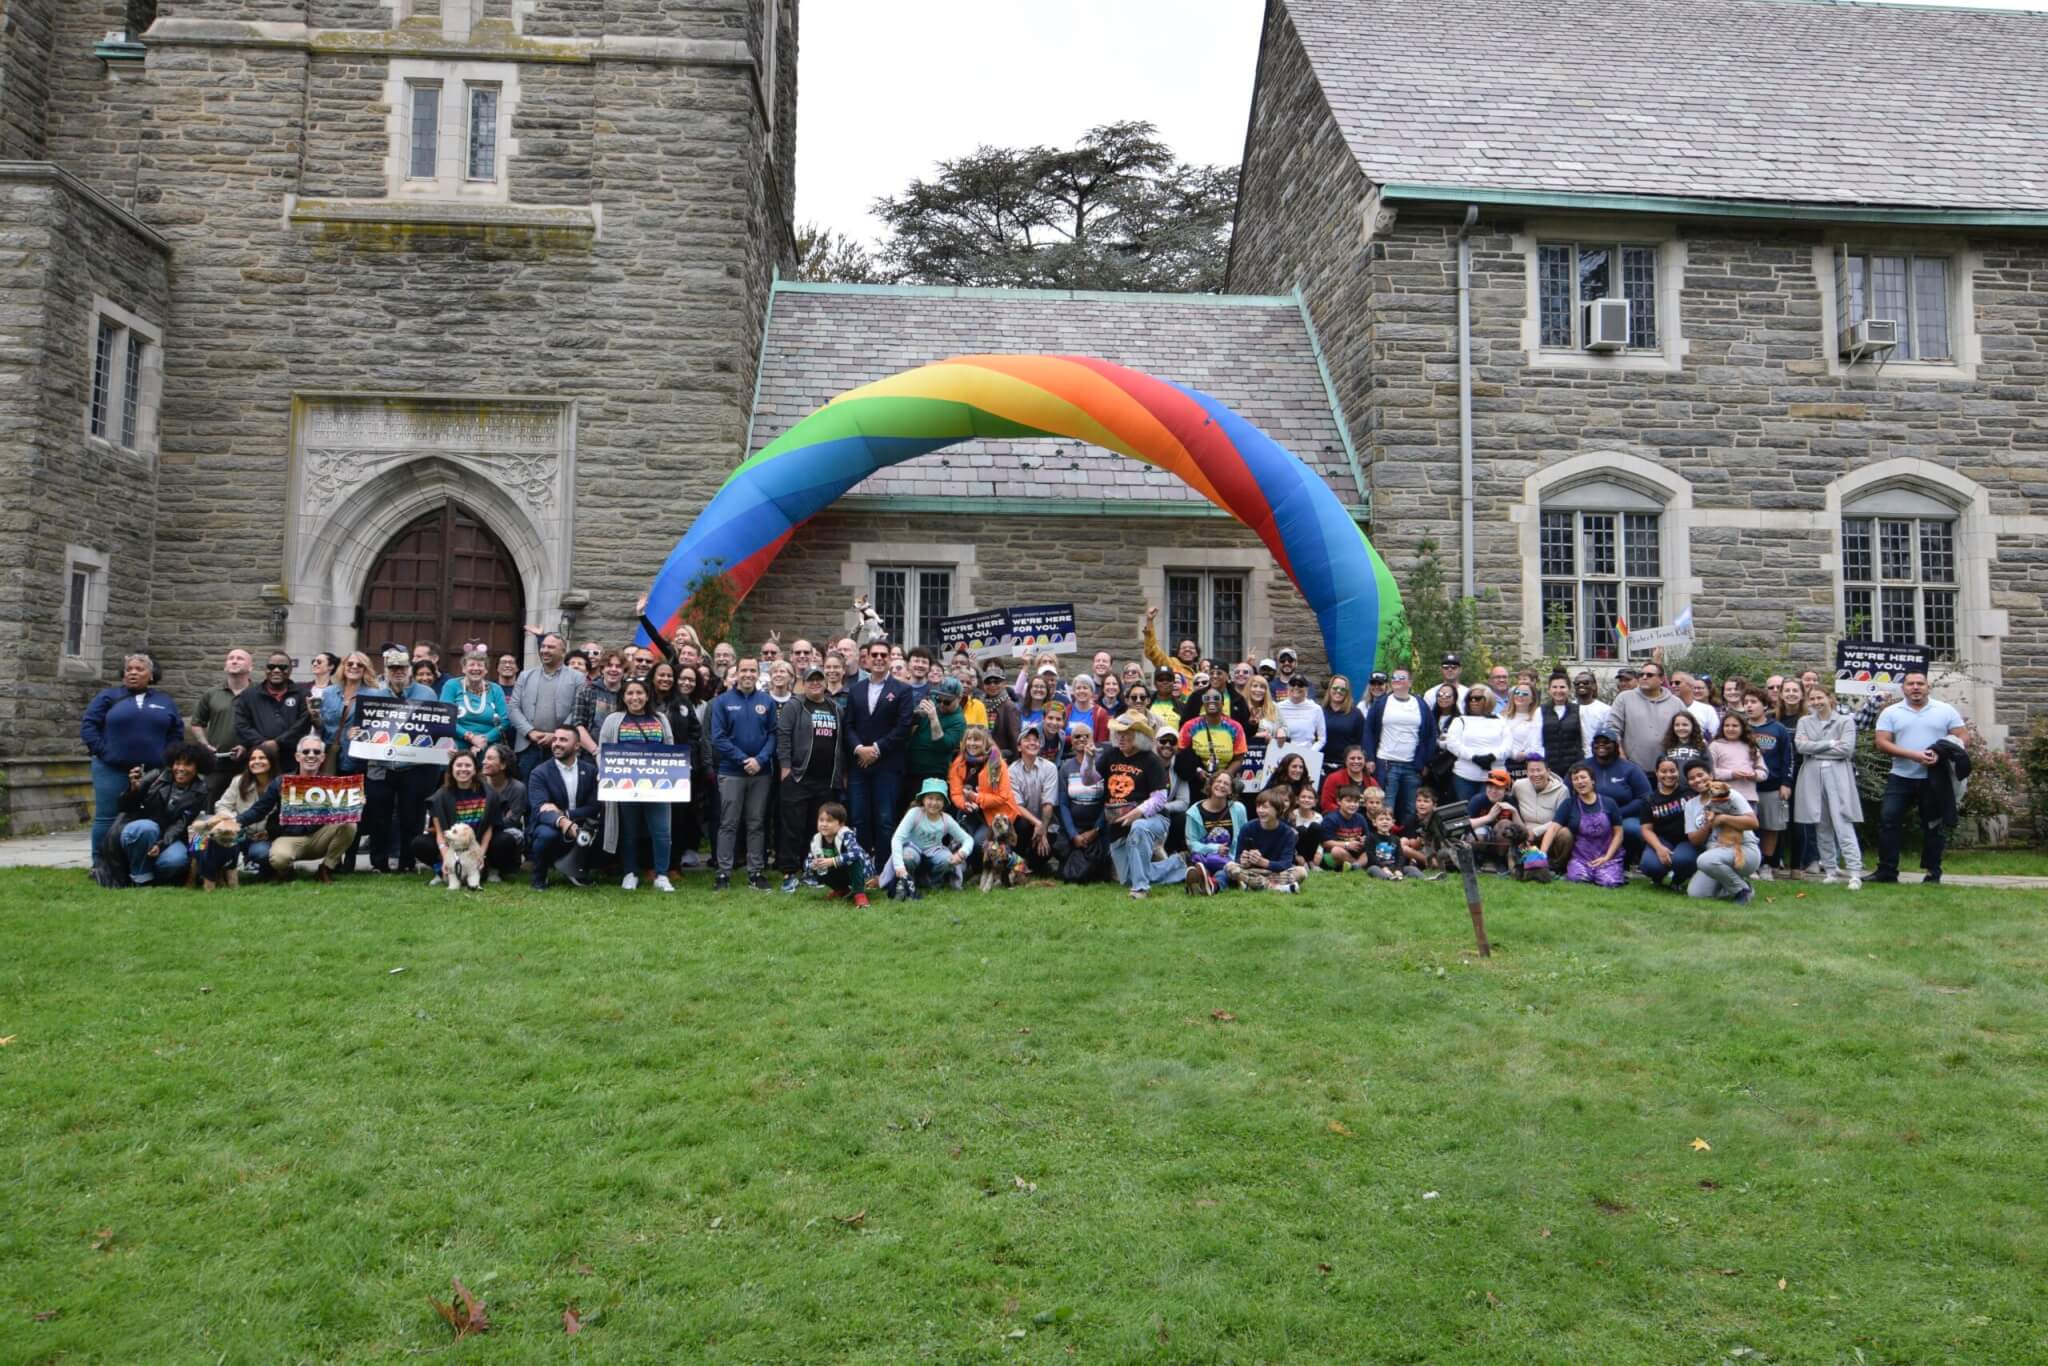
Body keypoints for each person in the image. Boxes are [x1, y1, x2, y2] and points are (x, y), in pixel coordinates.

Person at [81, 652, 185, 857]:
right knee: (107, 818)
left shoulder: (164, 701)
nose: (133, 673)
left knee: (150, 817)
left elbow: (176, 732)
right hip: (111, 769)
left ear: (151, 675)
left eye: (139, 669)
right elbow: (89, 725)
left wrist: (168, 757)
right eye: (129, 669)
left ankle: (138, 860)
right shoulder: (108, 697)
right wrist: (104, 751)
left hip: (154, 772)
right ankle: (100, 863)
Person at [1870, 671, 1967, 885]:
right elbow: (1882, 743)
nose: (1915, 687)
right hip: (1901, 776)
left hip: (1934, 778)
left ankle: (1933, 872)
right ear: (1903, 688)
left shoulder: (1945, 710)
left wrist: (1940, 752)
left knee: (1933, 825)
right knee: (1888, 821)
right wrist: (1913, 755)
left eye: (1920, 684)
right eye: (1910, 684)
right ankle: (1887, 871)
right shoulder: (1891, 712)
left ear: (1928, 687)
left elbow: (1962, 736)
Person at [240, 734, 357, 883]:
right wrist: (236, 822)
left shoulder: (331, 784)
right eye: (306, 751)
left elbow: (344, 813)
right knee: (279, 859)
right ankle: (287, 872)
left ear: (322, 758)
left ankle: (326, 868)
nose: (311, 755)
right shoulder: (281, 781)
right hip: (288, 837)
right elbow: (259, 810)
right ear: (297, 756)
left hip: (318, 837)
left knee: (349, 823)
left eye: (316, 752)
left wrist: (355, 803)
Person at [598, 679, 677, 893]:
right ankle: (630, 872)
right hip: (624, 784)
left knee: (661, 831)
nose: (635, 697)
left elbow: (669, 747)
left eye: (639, 693)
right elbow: (602, 750)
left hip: (658, 784)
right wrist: (604, 773)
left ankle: (661, 874)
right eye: (630, 693)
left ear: (647, 695)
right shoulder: (613, 720)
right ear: (623, 697)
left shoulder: (660, 719)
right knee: (629, 830)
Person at [1096, 712, 1184, 899]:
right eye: (1119, 733)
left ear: (1139, 736)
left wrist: (1138, 812)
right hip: (1118, 823)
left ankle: (1141, 889)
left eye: (1127, 733)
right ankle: (1179, 865)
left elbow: (1160, 798)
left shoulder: (1150, 760)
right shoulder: (1111, 754)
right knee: (1127, 877)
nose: (1121, 737)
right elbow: (1090, 780)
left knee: (1139, 828)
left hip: (1153, 819)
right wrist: (1088, 762)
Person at [845, 639, 915, 862]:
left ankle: (884, 869)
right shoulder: (855, 690)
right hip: (859, 764)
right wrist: (859, 749)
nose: (878, 659)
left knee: (885, 819)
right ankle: (862, 866)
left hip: (888, 764)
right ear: (866, 658)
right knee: (858, 818)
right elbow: (848, 725)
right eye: (874, 654)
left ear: (889, 659)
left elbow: (903, 727)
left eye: (883, 655)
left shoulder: (902, 690)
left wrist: (875, 749)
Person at [710, 656, 775, 891]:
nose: (748, 674)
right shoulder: (722, 702)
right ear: (736, 674)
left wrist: (759, 760)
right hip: (731, 772)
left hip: (761, 772)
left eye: (752, 670)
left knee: (756, 823)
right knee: (728, 823)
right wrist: (742, 759)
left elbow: (773, 735)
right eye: (743, 670)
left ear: (758, 674)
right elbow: (718, 737)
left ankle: (755, 872)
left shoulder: (766, 701)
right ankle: (723, 873)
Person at [777, 666, 845, 892]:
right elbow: (784, 736)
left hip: (825, 780)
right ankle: (788, 872)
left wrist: (841, 773)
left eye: (819, 680)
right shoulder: (795, 706)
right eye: (811, 680)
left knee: (816, 829)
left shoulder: (835, 708)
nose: (815, 684)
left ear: (826, 683)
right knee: (792, 827)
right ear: (803, 684)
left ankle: (811, 871)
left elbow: (842, 743)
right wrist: (786, 767)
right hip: (798, 777)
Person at [1794, 685, 1864, 889]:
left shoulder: (1845, 721)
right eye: (1812, 699)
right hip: (1812, 777)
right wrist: (1831, 743)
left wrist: (1815, 747)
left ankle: (1854, 872)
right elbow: (1801, 747)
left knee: (1843, 822)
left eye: (1820, 698)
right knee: (1821, 823)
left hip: (1838, 776)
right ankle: (1831, 870)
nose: (1816, 702)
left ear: (1829, 698)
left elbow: (1846, 750)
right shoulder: (1804, 721)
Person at [114, 742, 210, 886]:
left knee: (175, 861)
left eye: (188, 764)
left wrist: (160, 844)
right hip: (142, 830)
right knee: (147, 828)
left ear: (198, 768)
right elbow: (124, 807)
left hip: (171, 837)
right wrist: (133, 790)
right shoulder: (155, 777)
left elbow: (181, 824)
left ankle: (155, 878)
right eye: (177, 763)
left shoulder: (201, 791)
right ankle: (140, 878)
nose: (181, 769)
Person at [528, 726, 601, 890]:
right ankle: (539, 876)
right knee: (547, 835)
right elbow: (540, 810)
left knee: (602, 831)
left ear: (577, 746)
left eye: (563, 740)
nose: (556, 744)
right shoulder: (539, 773)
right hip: (550, 826)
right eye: (555, 739)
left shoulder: (590, 771)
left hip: (583, 824)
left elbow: (594, 806)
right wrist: (562, 821)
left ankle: (579, 871)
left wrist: (565, 814)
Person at [198, 739, 278, 885]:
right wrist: (232, 822)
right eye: (252, 759)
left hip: (264, 838)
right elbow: (222, 806)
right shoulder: (239, 781)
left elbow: (283, 816)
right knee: (209, 839)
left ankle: (265, 871)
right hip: (236, 833)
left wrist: (269, 832)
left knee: (261, 853)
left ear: (271, 761)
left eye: (262, 758)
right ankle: (211, 874)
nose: (256, 761)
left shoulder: (280, 784)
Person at [413, 750, 498, 884]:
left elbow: (489, 828)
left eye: (468, 765)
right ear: (451, 769)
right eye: (458, 765)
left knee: (505, 840)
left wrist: (480, 853)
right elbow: (440, 833)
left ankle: (489, 868)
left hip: (478, 842)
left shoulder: (488, 793)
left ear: (475, 769)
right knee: (420, 843)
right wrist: (447, 858)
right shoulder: (440, 796)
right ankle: (442, 870)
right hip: (452, 845)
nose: (463, 769)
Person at [949, 724, 1022, 869]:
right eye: (969, 739)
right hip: (970, 811)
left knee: (978, 843)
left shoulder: (996, 762)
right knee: (960, 840)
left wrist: (976, 798)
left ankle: (1013, 865)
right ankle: (972, 870)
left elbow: (1002, 797)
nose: (972, 743)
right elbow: (956, 793)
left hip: (996, 814)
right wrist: (965, 804)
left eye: (977, 740)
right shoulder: (959, 761)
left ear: (985, 742)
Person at [887, 777, 971, 899]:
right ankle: (908, 880)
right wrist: (899, 866)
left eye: (938, 799)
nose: (934, 803)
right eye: (930, 798)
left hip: (933, 853)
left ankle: (934, 882)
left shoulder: (946, 819)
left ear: (943, 803)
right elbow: (897, 838)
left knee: (948, 860)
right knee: (909, 857)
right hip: (912, 850)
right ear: (923, 800)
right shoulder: (914, 813)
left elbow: (968, 839)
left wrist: (962, 853)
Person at [188, 647, 254, 801]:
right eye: (231, 658)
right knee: (210, 805)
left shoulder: (258, 694)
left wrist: (246, 746)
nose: (234, 660)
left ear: (250, 667)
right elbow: (197, 723)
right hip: (217, 764)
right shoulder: (212, 694)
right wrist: (204, 744)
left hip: (250, 763)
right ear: (225, 666)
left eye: (240, 658)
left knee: (247, 806)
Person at [233, 651, 314, 774]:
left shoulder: (303, 694)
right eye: (271, 667)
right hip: (258, 758)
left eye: (282, 667)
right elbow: (241, 725)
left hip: (291, 761)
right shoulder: (249, 695)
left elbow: (303, 724)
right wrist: (263, 743)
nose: (276, 670)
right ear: (266, 670)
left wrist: (277, 742)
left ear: (290, 670)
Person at [1685, 777, 1761, 904]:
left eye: (1700, 775)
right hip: (1716, 853)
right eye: (1692, 777)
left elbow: (1753, 823)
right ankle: (1741, 884)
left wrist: (1723, 818)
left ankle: (1741, 890)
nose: (1697, 780)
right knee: (1696, 893)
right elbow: (1695, 840)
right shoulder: (1691, 804)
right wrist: (1707, 824)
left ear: (1710, 776)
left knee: (1704, 860)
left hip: (1743, 848)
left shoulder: (1731, 795)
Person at [1745, 691, 1794, 878]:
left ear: (1765, 705)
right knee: (1748, 827)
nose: (1749, 705)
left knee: (1771, 827)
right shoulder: (1741, 727)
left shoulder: (1778, 729)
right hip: (1746, 786)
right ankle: (1751, 865)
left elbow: (1787, 758)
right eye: (1746, 702)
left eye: (1753, 701)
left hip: (1772, 786)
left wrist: (1786, 783)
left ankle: (1766, 863)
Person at [1584, 729, 1651, 860]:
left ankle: (1632, 860)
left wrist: (1617, 814)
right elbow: (1568, 792)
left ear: (1616, 746)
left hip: (1623, 816)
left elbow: (1645, 797)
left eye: (1606, 742)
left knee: (1634, 829)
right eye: (1597, 742)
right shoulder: (1583, 766)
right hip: (1588, 814)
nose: (1601, 745)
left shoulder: (1630, 768)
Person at [1555, 763, 1625, 887]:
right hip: (1581, 857)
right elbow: (1553, 828)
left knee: (1609, 882)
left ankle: (1607, 871)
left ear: (1592, 780)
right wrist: (1541, 855)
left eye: (1583, 777)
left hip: (1607, 856)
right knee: (1577, 879)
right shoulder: (1569, 803)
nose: (1580, 782)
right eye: (1575, 779)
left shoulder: (1609, 802)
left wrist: (1607, 857)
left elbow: (1619, 833)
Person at [1054, 723, 1109, 880]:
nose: (1082, 739)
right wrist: (1073, 835)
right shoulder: (1065, 768)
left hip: (1098, 828)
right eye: (1077, 736)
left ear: (1093, 739)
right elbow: (1063, 805)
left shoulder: (1102, 764)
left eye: (1087, 736)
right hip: (1074, 828)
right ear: (1071, 742)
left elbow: (1107, 801)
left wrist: (1096, 830)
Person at [1609, 659, 1684, 773]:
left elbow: (1688, 730)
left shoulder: (1676, 703)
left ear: (1661, 679)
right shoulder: (1624, 698)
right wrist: (1621, 757)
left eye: (1649, 675)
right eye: (1641, 674)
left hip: (1668, 771)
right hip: (1633, 769)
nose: (1644, 677)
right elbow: (1613, 730)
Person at [1638, 758, 1700, 890]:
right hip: (1662, 839)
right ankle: (1657, 878)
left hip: (1686, 839)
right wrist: (1659, 847)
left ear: (1678, 772)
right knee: (1650, 865)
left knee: (1683, 860)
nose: (1668, 775)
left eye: (1672, 771)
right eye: (1663, 771)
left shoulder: (1691, 793)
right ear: (1657, 773)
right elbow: (1646, 829)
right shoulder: (1649, 799)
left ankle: (1678, 880)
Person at [1183, 769, 1245, 895]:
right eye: (1218, 781)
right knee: (1201, 868)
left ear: (1231, 790)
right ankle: (1200, 880)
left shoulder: (1238, 809)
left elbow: (1244, 836)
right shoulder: (1194, 812)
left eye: (1226, 784)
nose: (1221, 785)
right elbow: (1191, 843)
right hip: (1204, 857)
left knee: (1223, 872)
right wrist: (1215, 848)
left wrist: (1242, 857)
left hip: (1230, 860)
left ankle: (1212, 886)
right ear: (1210, 785)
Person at [1007, 726, 1060, 874]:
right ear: (1019, 746)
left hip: (1046, 821)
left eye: (1036, 740)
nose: (1033, 743)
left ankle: (1034, 864)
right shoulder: (1011, 771)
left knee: (1044, 853)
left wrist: (1043, 828)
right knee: (1021, 825)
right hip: (1024, 823)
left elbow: (1048, 803)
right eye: (1027, 740)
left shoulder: (1050, 768)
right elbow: (1017, 806)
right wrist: (1038, 824)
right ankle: (1019, 862)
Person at [906, 676, 968, 802]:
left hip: (933, 773)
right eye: (939, 699)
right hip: (911, 766)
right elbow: (907, 723)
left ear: (959, 699)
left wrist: (934, 719)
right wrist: (916, 714)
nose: (941, 705)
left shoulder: (959, 721)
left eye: (947, 702)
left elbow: (943, 746)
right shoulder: (933, 702)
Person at [440, 648, 510, 759]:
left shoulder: (495, 689)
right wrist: (470, 737)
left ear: (486, 670)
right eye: (471, 665)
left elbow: (505, 721)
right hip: (456, 744)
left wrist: (485, 739)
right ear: (463, 669)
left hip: (487, 745)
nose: (476, 668)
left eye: (480, 665)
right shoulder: (452, 685)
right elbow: (444, 717)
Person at [1443, 686, 1509, 803]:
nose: (1473, 701)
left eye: (1477, 698)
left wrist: (1492, 756)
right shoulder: (1460, 720)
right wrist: (1474, 757)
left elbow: (1508, 744)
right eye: (1470, 698)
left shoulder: (1500, 720)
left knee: (1492, 811)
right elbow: (1452, 744)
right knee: (1467, 813)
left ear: (1488, 699)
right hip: (1465, 776)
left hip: (1495, 776)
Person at [1228, 790, 1302, 894]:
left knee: (1301, 872)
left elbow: (1286, 863)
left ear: (1277, 809)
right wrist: (1243, 861)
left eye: (1265, 807)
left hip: (1275, 872)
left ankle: (1252, 885)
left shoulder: (1288, 833)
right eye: (1258, 807)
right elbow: (1237, 857)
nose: (1260, 810)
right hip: (1252, 870)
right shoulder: (1247, 828)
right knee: (1230, 867)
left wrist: (1262, 862)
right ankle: (1276, 887)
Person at [1177, 688, 1248, 788]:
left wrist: (1225, 775)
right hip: (1197, 779)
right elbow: (1181, 753)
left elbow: (1239, 759)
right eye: (1207, 698)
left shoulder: (1235, 727)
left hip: (1224, 780)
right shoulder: (1190, 726)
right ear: (1203, 703)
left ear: (1222, 703)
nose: (1211, 701)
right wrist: (1197, 771)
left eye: (1216, 698)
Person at [807, 802, 872, 907]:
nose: (823, 824)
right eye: (821, 820)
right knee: (817, 868)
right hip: (838, 869)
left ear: (841, 824)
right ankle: (841, 890)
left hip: (859, 871)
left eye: (829, 821)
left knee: (855, 859)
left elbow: (856, 853)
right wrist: (813, 864)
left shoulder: (846, 834)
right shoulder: (817, 839)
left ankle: (859, 894)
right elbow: (807, 861)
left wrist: (832, 861)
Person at [479, 743, 527, 882]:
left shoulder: (518, 788)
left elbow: (512, 820)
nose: (484, 762)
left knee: (507, 838)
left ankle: (497, 868)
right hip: (478, 830)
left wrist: (485, 824)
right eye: (484, 758)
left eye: (490, 758)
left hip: (501, 833)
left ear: (503, 765)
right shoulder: (477, 783)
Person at [1465, 768, 1525, 871]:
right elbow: (1465, 824)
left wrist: (1514, 812)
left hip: (1501, 843)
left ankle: (1500, 860)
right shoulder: (1478, 800)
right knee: (1479, 833)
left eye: (1498, 788)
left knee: (1506, 824)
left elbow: (1522, 831)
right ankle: (1478, 859)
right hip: (1481, 840)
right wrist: (1489, 817)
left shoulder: (1510, 801)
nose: (1493, 791)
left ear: (1506, 789)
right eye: (1490, 786)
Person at [1512, 756, 1571, 862]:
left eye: (1539, 770)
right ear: (1527, 772)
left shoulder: (1562, 790)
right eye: (1531, 771)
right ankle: (1514, 862)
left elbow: (1561, 819)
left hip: (1550, 830)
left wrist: (1535, 832)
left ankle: (1557, 865)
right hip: (1525, 831)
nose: (1536, 774)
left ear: (1548, 771)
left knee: (1565, 833)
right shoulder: (1518, 785)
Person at [1271, 674, 1326, 782]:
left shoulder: (1315, 709)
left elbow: (1322, 738)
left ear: (1306, 689)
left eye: (1300, 685)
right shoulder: (1278, 707)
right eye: (1293, 684)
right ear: (1288, 687)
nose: (1296, 687)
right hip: (1283, 757)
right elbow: (1272, 732)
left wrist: (1310, 752)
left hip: (1307, 757)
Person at [1709, 712, 1764, 817]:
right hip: (1723, 797)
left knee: (1748, 831)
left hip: (1748, 797)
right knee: (1724, 830)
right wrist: (1731, 774)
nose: (1730, 729)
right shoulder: (1715, 745)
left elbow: (1763, 771)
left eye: (1735, 726)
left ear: (1742, 728)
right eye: (1727, 725)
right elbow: (1710, 772)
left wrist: (1754, 775)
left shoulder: (1751, 745)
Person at [572, 651, 627, 756]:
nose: (613, 669)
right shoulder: (586, 690)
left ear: (624, 671)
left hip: (622, 754)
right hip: (590, 753)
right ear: (602, 669)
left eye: (618, 666)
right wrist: (596, 752)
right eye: (609, 665)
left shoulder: (630, 692)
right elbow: (578, 725)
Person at [1139, 605, 1198, 691]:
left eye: (1191, 648)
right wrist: (1149, 621)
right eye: (1184, 648)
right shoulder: (1171, 664)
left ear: (1196, 653)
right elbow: (1152, 651)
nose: (1187, 649)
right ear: (1178, 652)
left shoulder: (1202, 669)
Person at [1316, 784, 1370, 872]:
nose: (1353, 805)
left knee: (1370, 849)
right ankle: (1357, 866)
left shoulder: (1360, 818)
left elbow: (1367, 837)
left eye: (1356, 802)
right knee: (1336, 851)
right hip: (1335, 854)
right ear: (1339, 801)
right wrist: (1347, 845)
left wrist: (1364, 840)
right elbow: (1325, 843)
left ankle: (1355, 866)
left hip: (1355, 851)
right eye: (1348, 801)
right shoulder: (1331, 819)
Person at [1538, 674, 1584, 772]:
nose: (1558, 691)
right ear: (1549, 690)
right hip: (1549, 766)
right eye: (1554, 687)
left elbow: (1585, 740)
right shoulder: (1540, 711)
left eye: (1562, 687)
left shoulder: (1579, 710)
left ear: (1569, 689)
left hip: (1574, 766)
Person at [1501, 683, 1544, 779]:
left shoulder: (1538, 717)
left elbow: (1538, 742)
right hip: (1506, 764)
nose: (1520, 695)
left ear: (1532, 698)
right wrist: (1513, 754)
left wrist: (1525, 754)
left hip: (1529, 764)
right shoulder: (1503, 717)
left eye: (1524, 693)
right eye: (1517, 692)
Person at [979, 667, 1023, 757]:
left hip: (1002, 758)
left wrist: (1016, 760)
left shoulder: (1009, 707)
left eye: (996, 681)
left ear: (1004, 684)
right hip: (982, 755)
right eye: (988, 682)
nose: (992, 685)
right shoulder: (980, 704)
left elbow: (1015, 737)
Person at [1317, 745, 1377, 812]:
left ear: (1365, 761)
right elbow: (1326, 803)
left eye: (1359, 758)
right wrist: (1345, 813)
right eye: (1352, 758)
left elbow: (1378, 804)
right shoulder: (1333, 778)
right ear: (1345, 761)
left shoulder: (1372, 782)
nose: (1356, 761)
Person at [1571, 671, 1611, 755]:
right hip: (1573, 757)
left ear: (1594, 686)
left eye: (1585, 682)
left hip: (1596, 757)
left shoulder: (1605, 710)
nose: (1581, 685)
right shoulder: (1568, 708)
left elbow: (1608, 737)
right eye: (1577, 683)